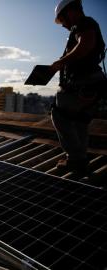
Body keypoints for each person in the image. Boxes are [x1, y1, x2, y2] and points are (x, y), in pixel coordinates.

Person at [50, 0, 106, 176]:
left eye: (63, 20)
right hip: (92, 85)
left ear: (70, 12)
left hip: (82, 84)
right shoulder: (85, 25)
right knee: (80, 121)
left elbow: (86, 44)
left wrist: (62, 61)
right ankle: (79, 158)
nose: (64, 25)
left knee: (60, 115)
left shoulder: (84, 24)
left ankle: (75, 159)